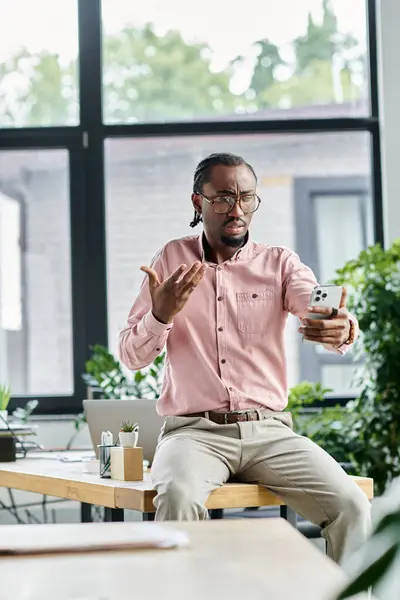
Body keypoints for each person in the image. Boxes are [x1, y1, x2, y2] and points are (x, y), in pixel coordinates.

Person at [119, 152, 371, 563]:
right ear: (197, 203)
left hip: (270, 433)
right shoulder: (170, 261)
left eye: (247, 198)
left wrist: (340, 326)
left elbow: (315, 306)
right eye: (223, 198)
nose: (237, 210)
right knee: (178, 499)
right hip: (193, 433)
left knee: (352, 506)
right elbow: (131, 355)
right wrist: (160, 315)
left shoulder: (279, 263)